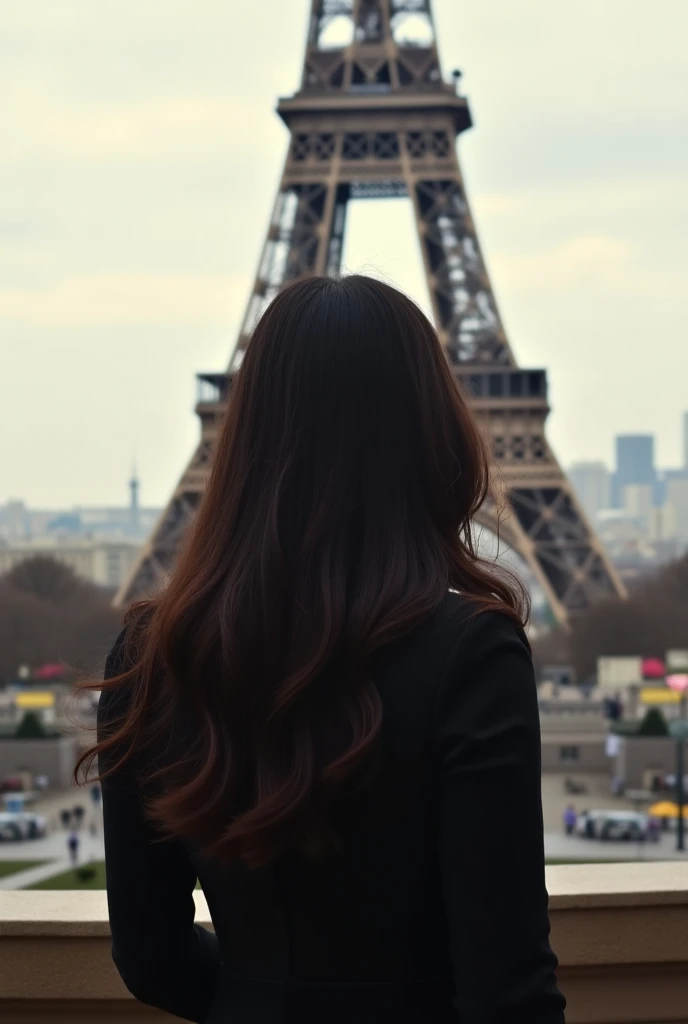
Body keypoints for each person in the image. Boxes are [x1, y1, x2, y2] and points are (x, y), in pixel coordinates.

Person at [76, 276, 566, 1023]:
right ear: (432, 428)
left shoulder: (150, 655)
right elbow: (508, 991)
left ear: (244, 434)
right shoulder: (473, 655)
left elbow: (150, 958)